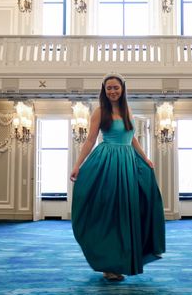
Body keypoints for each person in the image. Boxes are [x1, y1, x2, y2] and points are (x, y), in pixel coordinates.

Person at [70, 73, 166, 281]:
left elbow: (132, 139)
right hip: (107, 162)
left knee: (128, 212)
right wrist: (78, 165)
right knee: (109, 214)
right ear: (104, 91)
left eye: (116, 88)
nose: (112, 91)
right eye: (108, 88)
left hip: (128, 163)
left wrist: (146, 158)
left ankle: (123, 259)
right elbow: (90, 140)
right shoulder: (99, 111)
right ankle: (107, 263)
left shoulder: (127, 110)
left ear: (122, 89)